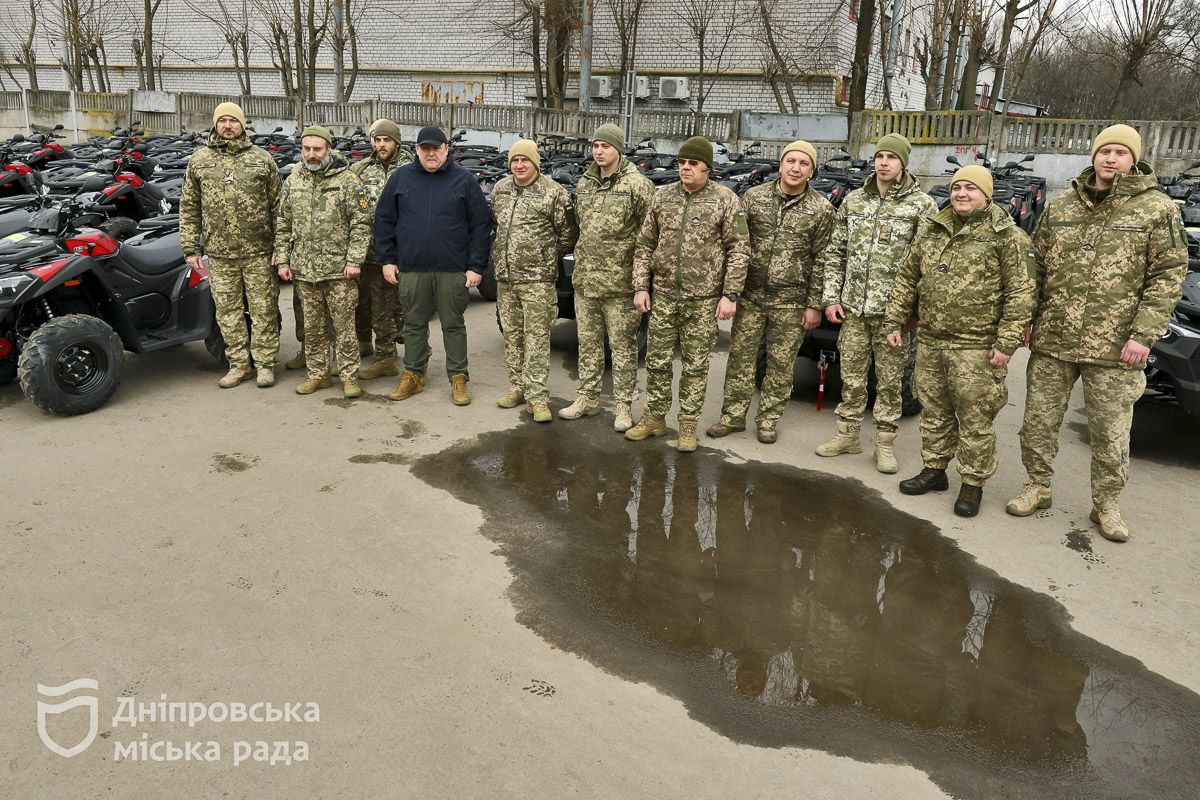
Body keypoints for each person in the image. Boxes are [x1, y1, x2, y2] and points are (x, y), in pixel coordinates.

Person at [1006, 124, 1187, 541]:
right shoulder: (1062, 205)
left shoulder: (1157, 209)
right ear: (1093, 155)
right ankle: (1038, 485)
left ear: (1134, 159)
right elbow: (1038, 267)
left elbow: (1167, 277)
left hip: (1116, 346)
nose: (1110, 159)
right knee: (1038, 421)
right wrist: (1026, 321)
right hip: (1054, 339)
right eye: (1104, 151)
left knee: (1110, 432)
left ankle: (1106, 505)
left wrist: (1144, 335)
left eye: (1120, 152)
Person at [883, 166, 1037, 517]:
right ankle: (935, 470)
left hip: (977, 345)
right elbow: (908, 277)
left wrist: (1006, 342)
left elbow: (1022, 293)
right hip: (932, 340)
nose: (961, 194)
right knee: (934, 411)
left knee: (975, 418)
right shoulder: (933, 228)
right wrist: (895, 319)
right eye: (956, 188)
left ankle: (972, 484)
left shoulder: (1007, 236)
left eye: (970, 188)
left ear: (986, 194)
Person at [817, 134, 937, 472]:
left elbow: (927, 265)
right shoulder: (854, 202)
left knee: (889, 382)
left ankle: (884, 444)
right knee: (852, 377)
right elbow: (835, 252)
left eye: (891, 157)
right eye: (880, 156)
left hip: (892, 316)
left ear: (903, 163)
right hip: (853, 309)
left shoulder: (921, 206)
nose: (884, 162)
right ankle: (848, 435)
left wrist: (913, 313)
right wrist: (830, 298)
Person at [625, 135, 750, 452]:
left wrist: (730, 294)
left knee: (695, 366)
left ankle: (688, 426)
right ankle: (654, 418)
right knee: (656, 362)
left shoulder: (726, 200)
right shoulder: (662, 197)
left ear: (707, 167)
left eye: (692, 163)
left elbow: (740, 250)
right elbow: (644, 246)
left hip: (704, 300)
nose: (685, 168)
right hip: (664, 295)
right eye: (681, 163)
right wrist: (641, 286)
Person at [707, 140, 835, 444]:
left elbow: (823, 259)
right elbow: (737, 245)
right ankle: (732, 417)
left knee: (780, 364)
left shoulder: (822, 209)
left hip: (791, 302)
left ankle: (767, 420)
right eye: (790, 160)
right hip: (751, 295)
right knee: (740, 358)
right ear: (781, 164)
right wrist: (731, 290)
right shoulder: (753, 198)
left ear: (812, 171)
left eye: (804, 164)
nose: (795, 168)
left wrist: (814, 304)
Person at [375, 125, 490, 406]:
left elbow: (480, 226)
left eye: (436, 148)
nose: (430, 153)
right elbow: (384, 220)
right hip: (412, 269)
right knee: (413, 324)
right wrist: (388, 260)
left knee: (453, 324)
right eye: (425, 148)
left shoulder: (464, 181)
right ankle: (413, 374)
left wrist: (476, 267)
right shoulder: (401, 179)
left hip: (453, 270)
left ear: (446, 149)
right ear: (416, 150)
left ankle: (458, 377)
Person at [559, 123, 654, 432]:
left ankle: (624, 406)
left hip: (620, 284)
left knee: (623, 347)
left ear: (618, 149)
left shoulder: (636, 184)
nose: (599, 151)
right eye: (596, 146)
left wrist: (641, 280)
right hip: (586, 282)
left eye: (606, 146)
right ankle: (587, 398)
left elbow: (650, 234)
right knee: (587, 344)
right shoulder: (585, 183)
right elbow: (579, 229)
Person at [179, 101, 282, 388]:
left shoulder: (262, 160)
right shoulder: (199, 161)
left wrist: (281, 248)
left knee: (263, 311)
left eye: (233, 121)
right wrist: (191, 247)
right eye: (222, 121)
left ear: (242, 124)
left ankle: (265, 364)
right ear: (215, 124)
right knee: (227, 312)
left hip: (259, 253)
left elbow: (279, 208)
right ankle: (239, 364)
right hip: (220, 254)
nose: (228, 126)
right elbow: (189, 207)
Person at [274, 126, 371, 398]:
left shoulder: (348, 181)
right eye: (306, 149)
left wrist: (354, 261)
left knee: (344, 328)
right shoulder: (294, 181)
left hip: (340, 271)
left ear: (329, 149)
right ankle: (318, 374)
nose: (312, 155)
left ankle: (350, 377)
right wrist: (283, 261)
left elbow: (361, 225)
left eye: (317, 149)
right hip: (305, 271)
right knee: (312, 328)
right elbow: (283, 223)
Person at [490, 139, 577, 422]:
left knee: (537, 339)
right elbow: (497, 225)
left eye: (525, 160)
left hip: (538, 280)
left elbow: (568, 234)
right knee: (513, 337)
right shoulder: (501, 189)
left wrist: (545, 256)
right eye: (515, 161)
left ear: (535, 163)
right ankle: (517, 387)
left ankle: (538, 398)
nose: (519, 165)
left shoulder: (554, 193)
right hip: (506, 279)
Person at [352, 118, 414, 381]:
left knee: (389, 306)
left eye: (386, 140)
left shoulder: (411, 169)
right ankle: (364, 342)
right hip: (364, 249)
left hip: (396, 251)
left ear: (396, 142)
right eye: (377, 140)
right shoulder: (361, 169)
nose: (381, 145)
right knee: (361, 302)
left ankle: (387, 356)